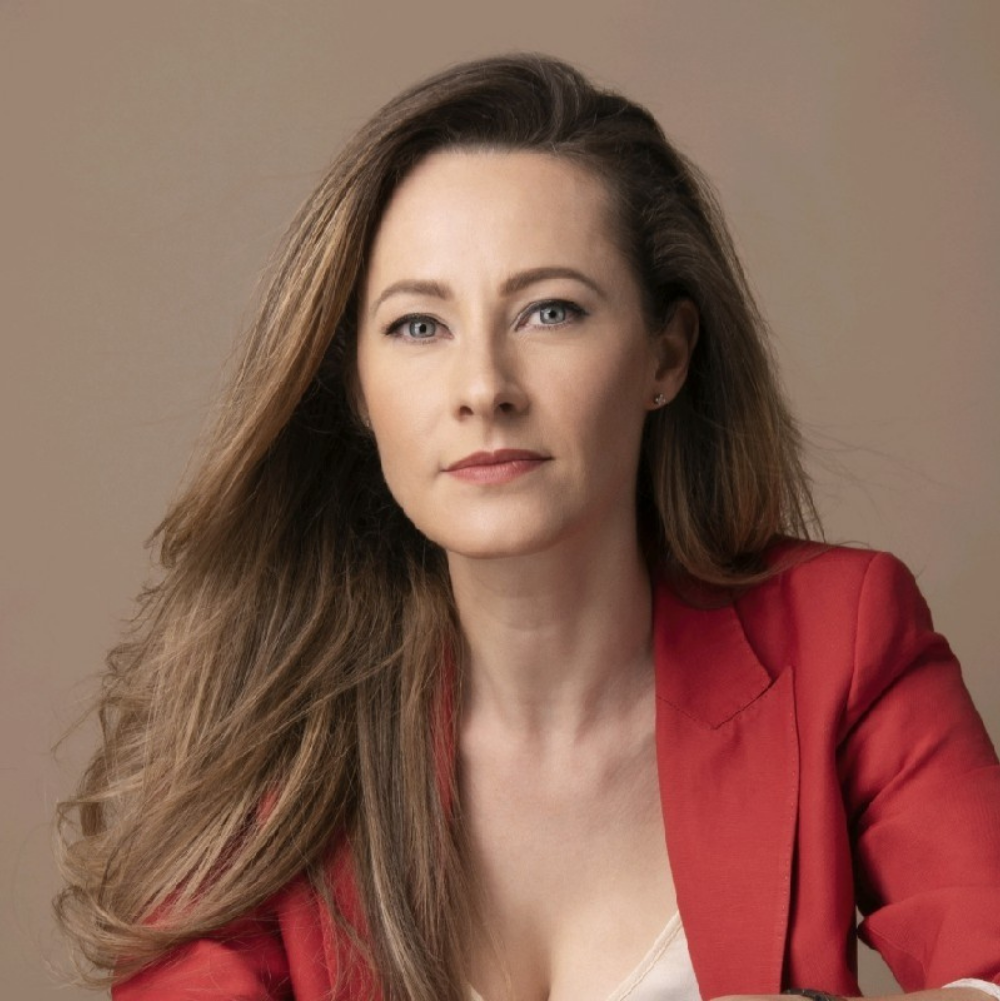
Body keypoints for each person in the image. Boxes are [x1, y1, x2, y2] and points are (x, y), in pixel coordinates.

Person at [55, 54, 1000, 1001]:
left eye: (551, 312)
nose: (483, 388)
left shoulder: (841, 636)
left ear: (666, 355)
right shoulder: (264, 719)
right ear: (358, 387)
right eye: (418, 326)